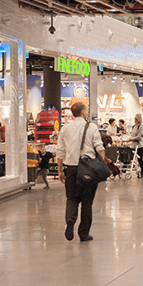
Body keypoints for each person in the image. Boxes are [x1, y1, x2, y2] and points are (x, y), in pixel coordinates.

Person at [56, 102, 111, 242]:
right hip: (88, 168)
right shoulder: (91, 127)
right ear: (83, 113)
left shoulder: (65, 128)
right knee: (87, 201)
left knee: (72, 198)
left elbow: (60, 151)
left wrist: (60, 170)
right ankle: (84, 233)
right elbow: (99, 147)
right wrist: (102, 161)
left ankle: (70, 220)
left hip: (70, 168)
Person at [128, 112, 143, 178]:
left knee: (140, 158)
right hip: (134, 144)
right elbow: (132, 134)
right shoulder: (134, 126)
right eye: (135, 119)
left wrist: (132, 138)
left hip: (140, 144)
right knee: (131, 156)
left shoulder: (141, 127)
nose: (135, 120)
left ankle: (142, 171)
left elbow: (139, 136)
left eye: (136, 119)